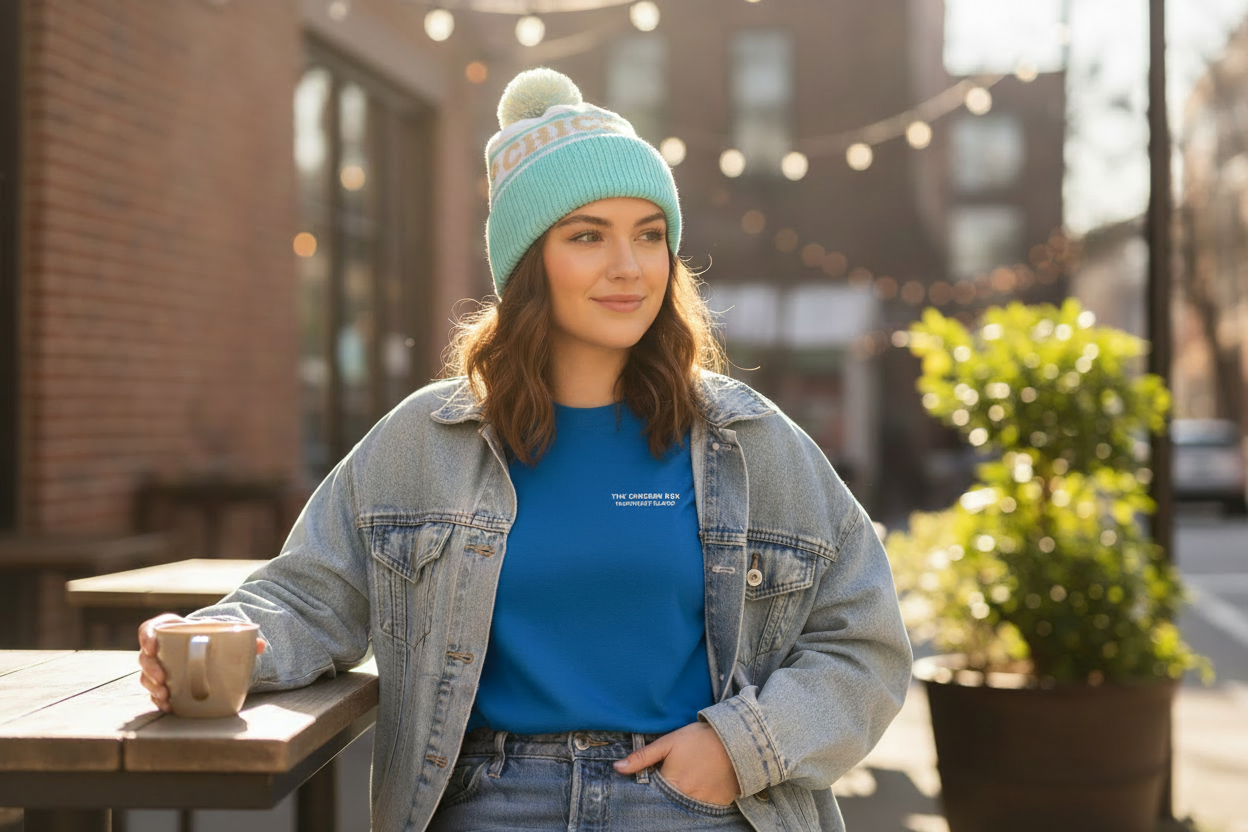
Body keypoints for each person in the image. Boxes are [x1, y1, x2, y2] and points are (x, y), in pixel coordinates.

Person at [137, 68, 912, 832]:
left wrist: (738, 749)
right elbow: (310, 597)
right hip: (490, 800)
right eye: (587, 236)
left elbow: (865, 643)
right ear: (526, 264)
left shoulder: (748, 440)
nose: (628, 267)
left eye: (649, 235)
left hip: (694, 802)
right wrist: (213, 642)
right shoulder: (425, 441)